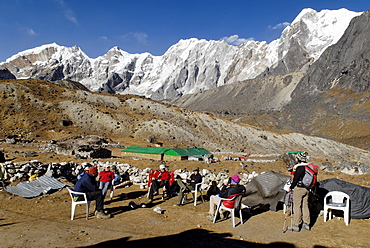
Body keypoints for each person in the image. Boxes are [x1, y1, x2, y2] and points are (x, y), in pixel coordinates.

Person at [287, 152, 311, 232]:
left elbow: (295, 180)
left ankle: (296, 225)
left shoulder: (299, 168)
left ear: (299, 159)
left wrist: (291, 187)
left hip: (299, 189)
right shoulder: (308, 167)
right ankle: (306, 223)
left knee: (297, 206)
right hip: (307, 189)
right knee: (305, 205)